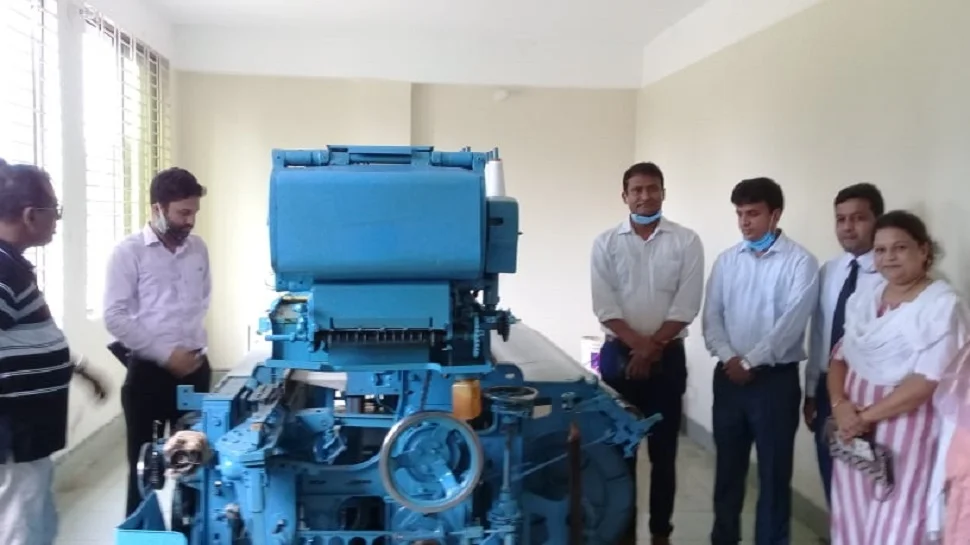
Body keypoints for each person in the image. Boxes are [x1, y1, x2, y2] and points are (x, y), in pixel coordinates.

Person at [827, 210, 970, 545]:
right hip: (854, 434)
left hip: (906, 434)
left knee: (897, 523)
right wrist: (839, 405)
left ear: (924, 250)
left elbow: (926, 382)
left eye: (900, 248)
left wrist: (862, 418)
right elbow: (839, 358)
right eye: (880, 250)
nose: (889, 257)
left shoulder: (941, 307)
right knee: (851, 517)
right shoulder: (865, 299)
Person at [590, 162, 704, 545]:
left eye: (652, 188)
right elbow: (605, 306)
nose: (645, 196)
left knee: (663, 453)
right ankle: (622, 533)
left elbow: (686, 306)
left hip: (667, 361)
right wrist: (639, 348)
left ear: (663, 193)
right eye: (636, 190)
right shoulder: (606, 243)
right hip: (617, 359)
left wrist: (650, 350)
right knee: (617, 454)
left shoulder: (686, 241)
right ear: (624, 196)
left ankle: (660, 533)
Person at [702, 177, 819, 545]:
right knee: (727, 472)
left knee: (773, 475)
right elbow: (712, 319)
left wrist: (751, 361)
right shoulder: (727, 262)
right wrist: (730, 358)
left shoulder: (800, 262)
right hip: (729, 379)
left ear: (775, 214)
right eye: (739, 214)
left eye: (752, 213)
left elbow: (791, 325)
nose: (744, 222)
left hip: (774, 383)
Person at [0, 159, 106, 545]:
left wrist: (77, 369)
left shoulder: (12, 265)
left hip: (29, 431)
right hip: (15, 432)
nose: (57, 222)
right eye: (54, 212)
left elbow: (24, 341)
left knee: (37, 520)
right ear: (31, 215)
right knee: (21, 527)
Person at [103, 167, 213, 517]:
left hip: (195, 372)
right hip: (149, 377)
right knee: (144, 472)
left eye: (194, 212)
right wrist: (167, 355)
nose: (190, 221)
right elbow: (114, 316)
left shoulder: (198, 249)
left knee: (195, 466)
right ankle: (141, 534)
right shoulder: (129, 253)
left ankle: (189, 532)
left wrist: (189, 352)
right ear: (157, 209)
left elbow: (203, 300)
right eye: (183, 212)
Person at [804, 183, 884, 504]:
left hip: (868, 397)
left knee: (866, 486)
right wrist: (811, 391)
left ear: (877, 220)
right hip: (828, 392)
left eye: (858, 218)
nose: (848, 227)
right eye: (841, 219)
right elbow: (820, 334)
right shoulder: (831, 271)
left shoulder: (890, 275)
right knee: (831, 476)